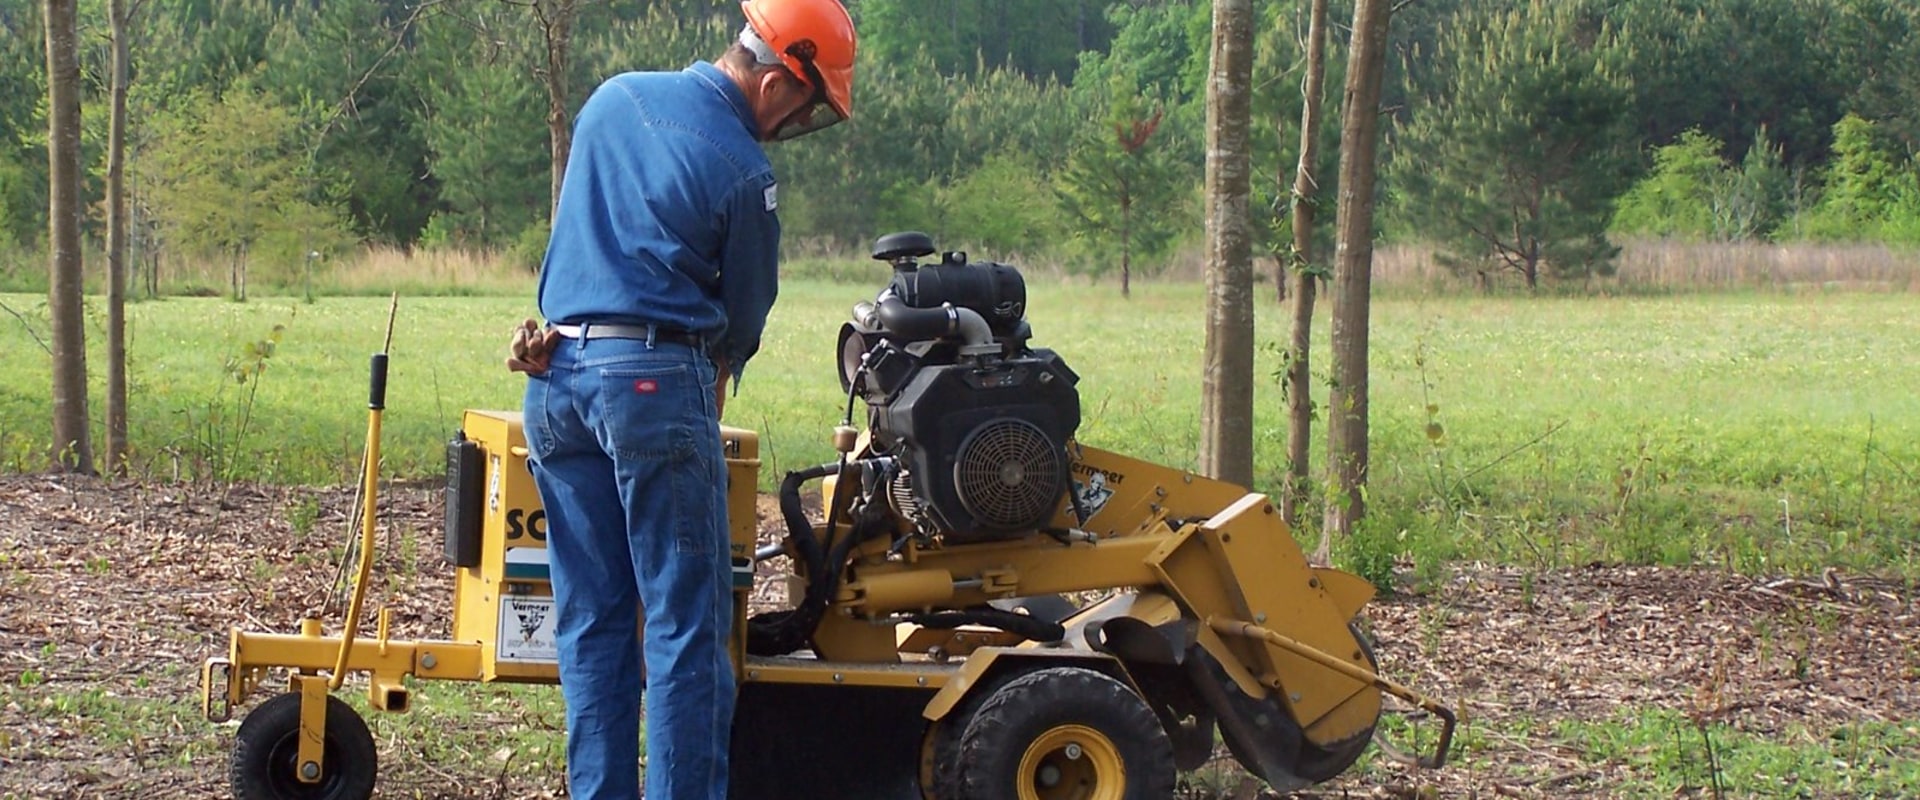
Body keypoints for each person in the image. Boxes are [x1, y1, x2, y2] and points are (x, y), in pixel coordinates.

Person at [503, 2, 856, 797]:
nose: (795, 124)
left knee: (591, 620)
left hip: (556, 385)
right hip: (654, 386)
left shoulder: (613, 98)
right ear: (776, 79)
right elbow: (745, 315)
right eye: (805, 105)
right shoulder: (741, 169)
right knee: (684, 630)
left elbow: (574, 241)